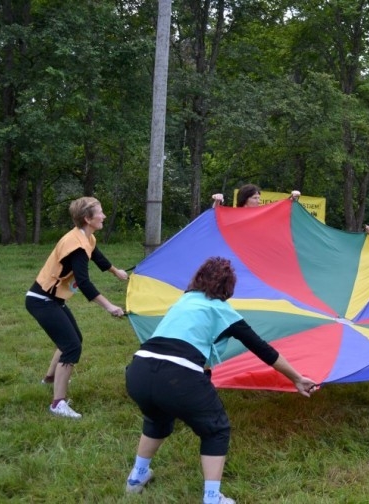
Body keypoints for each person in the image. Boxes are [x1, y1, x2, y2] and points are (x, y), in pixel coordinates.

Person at [124, 257, 317, 504]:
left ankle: (136, 478)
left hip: (139, 370)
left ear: (198, 279)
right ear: (228, 288)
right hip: (177, 375)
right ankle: (212, 498)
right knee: (216, 429)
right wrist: (297, 378)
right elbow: (263, 349)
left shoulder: (184, 300)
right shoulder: (224, 312)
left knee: (157, 418)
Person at [25, 196, 128, 419]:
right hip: (41, 300)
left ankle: (50, 379)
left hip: (51, 300)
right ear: (87, 218)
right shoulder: (76, 247)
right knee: (71, 346)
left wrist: (116, 271)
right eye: (100, 212)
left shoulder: (86, 238)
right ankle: (57, 404)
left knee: (72, 340)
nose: (104, 215)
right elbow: (83, 282)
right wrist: (109, 306)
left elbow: (98, 258)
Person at [211, 185, 300, 208]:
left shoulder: (261, 215)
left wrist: (293, 198)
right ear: (244, 199)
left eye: (259, 198)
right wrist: (217, 201)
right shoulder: (234, 215)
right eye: (255, 198)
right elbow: (216, 217)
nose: (259, 201)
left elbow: (281, 211)